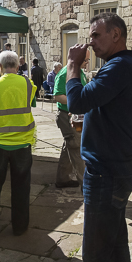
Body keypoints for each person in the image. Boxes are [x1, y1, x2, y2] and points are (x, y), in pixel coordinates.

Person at [61, 14, 132, 262]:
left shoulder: (119, 67)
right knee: (115, 242)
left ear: (116, 35)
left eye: (96, 36)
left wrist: (73, 66)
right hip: (117, 166)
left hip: (106, 172)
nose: (91, 42)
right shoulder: (121, 67)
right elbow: (97, 105)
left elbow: (78, 98)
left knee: (94, 251)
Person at [0, 51, 37, 239]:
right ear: (18, 67)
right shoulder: (28, 84)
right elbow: (32, 103)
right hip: (22, 145)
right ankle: (20, 227)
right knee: (21, 188)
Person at [53, 56, 90, 188]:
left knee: (70, 145)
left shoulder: (79, 72)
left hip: (76, 116)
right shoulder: (65, 72)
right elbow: (57, 96)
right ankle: (86, 185)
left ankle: (62, 179)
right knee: (77, 148)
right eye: (86, 60)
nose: (87, 63)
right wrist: (76, 101)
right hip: (67, 116)